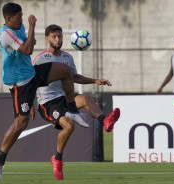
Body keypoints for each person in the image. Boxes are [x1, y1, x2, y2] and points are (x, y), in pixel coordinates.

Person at [0, 3, 88, 181]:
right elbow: (28, 49)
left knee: (66, 72)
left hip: (32, 73)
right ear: (8, 19)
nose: (21, 19)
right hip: (20, 84)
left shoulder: (18, 26)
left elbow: (28, 44)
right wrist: (32, 27)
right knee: (21, 124)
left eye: (22, 16)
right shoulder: (5, 34)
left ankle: (72, 109)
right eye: (18, 17)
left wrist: (29, 35)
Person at [32, 24, 120, 180]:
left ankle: (105, 120)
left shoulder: (67, 58)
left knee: (87, 99)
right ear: (47, 38)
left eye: (60, 36)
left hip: (64, 96)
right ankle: (57, 159)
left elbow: (75, 77)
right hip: (48, 102)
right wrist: (30, 105)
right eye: (54, 36)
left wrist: (94, 80)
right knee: (69, 126)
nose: (58, 39)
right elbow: (29, 81)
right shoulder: (40, 59)